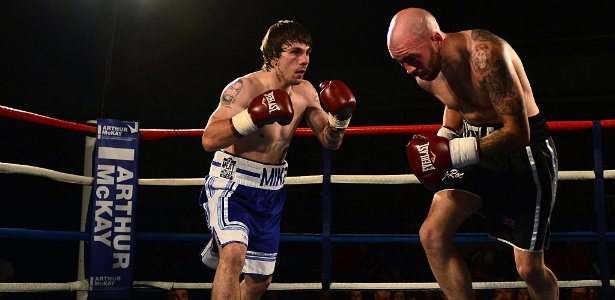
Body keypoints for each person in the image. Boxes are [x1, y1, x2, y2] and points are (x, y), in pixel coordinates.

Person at [387, 7, 559, 300]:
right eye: (401, 62)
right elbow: (456, 102)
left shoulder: (487, 55)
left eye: (412, 59)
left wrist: (452, 153)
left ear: (436, 40)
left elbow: (518, 131)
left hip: (524, 151)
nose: (409, 70)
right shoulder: (425, 74)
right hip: (474, 146)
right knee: (432, 234)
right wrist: (445, 137)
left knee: (529, 269)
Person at [199, 20, 356, 299]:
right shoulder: (245, 87)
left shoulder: (306, 92)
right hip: (231, 183)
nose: (304, 59)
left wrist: (340, 119)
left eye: (307, 52)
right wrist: (252, 117)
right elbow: (209, 139)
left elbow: (330, 141)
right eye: (295, 52)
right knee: (234, 254)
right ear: (273, 57)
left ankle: (222, 240)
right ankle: (226, 240)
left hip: (271, 191)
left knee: (260, 280)